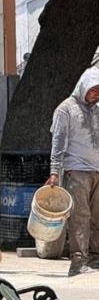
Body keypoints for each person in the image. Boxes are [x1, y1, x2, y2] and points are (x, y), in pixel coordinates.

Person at [46, 66, 99, 276]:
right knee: (80, 217)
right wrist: (54, 172)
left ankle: (95, 258)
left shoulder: (97, 108)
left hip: (97, 170)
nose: (96, 95)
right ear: (84, 86)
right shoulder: (65, 109)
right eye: (93, 90)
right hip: (76, 171)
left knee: (97, 216)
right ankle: (78, 262)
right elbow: (58, 144)